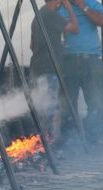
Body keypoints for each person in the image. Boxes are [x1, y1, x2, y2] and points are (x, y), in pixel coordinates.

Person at [59, 0, 103, 144]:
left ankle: (95, 137)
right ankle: (69, 140)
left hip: (91, 59)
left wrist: (83, 6)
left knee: (96, 101)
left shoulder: (91, 3)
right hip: (67, 59)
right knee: (68, 102)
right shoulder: (60, 6)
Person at [30, 0, 79, 140]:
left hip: (37, 66)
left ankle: (39, 142)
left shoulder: (38, 15)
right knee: (48, 107)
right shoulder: (51, 15)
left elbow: (32, 46)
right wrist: (70, 8)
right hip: (49, 67)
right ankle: (46, 144)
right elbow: (75, 28)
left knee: (40, 106)